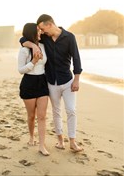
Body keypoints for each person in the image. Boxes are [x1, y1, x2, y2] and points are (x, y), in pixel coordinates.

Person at [20, 15, 83, 152]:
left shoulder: (69, 37)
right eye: (40, 30)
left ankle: (72, 141)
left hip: (67, 80)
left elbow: (76, 58)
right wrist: (32, 45)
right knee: (56, 111)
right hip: (51, 82)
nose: (41, 32)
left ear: (49, 24)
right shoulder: (45, 38)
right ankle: (60, 141)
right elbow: (23, 39)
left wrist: (77, 79)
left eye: (42, 28)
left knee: (71, 110)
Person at [18, 23, 50, 156]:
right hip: (29, 83)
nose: (40, 32)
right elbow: (20, 70)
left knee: (42, 116)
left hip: (42, 82)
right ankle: (31, 137)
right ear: (31, 32)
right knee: (31, 116)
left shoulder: (43, 45)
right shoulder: (24, 50)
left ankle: (42, 146)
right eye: (38, 30)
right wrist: (34, 61)